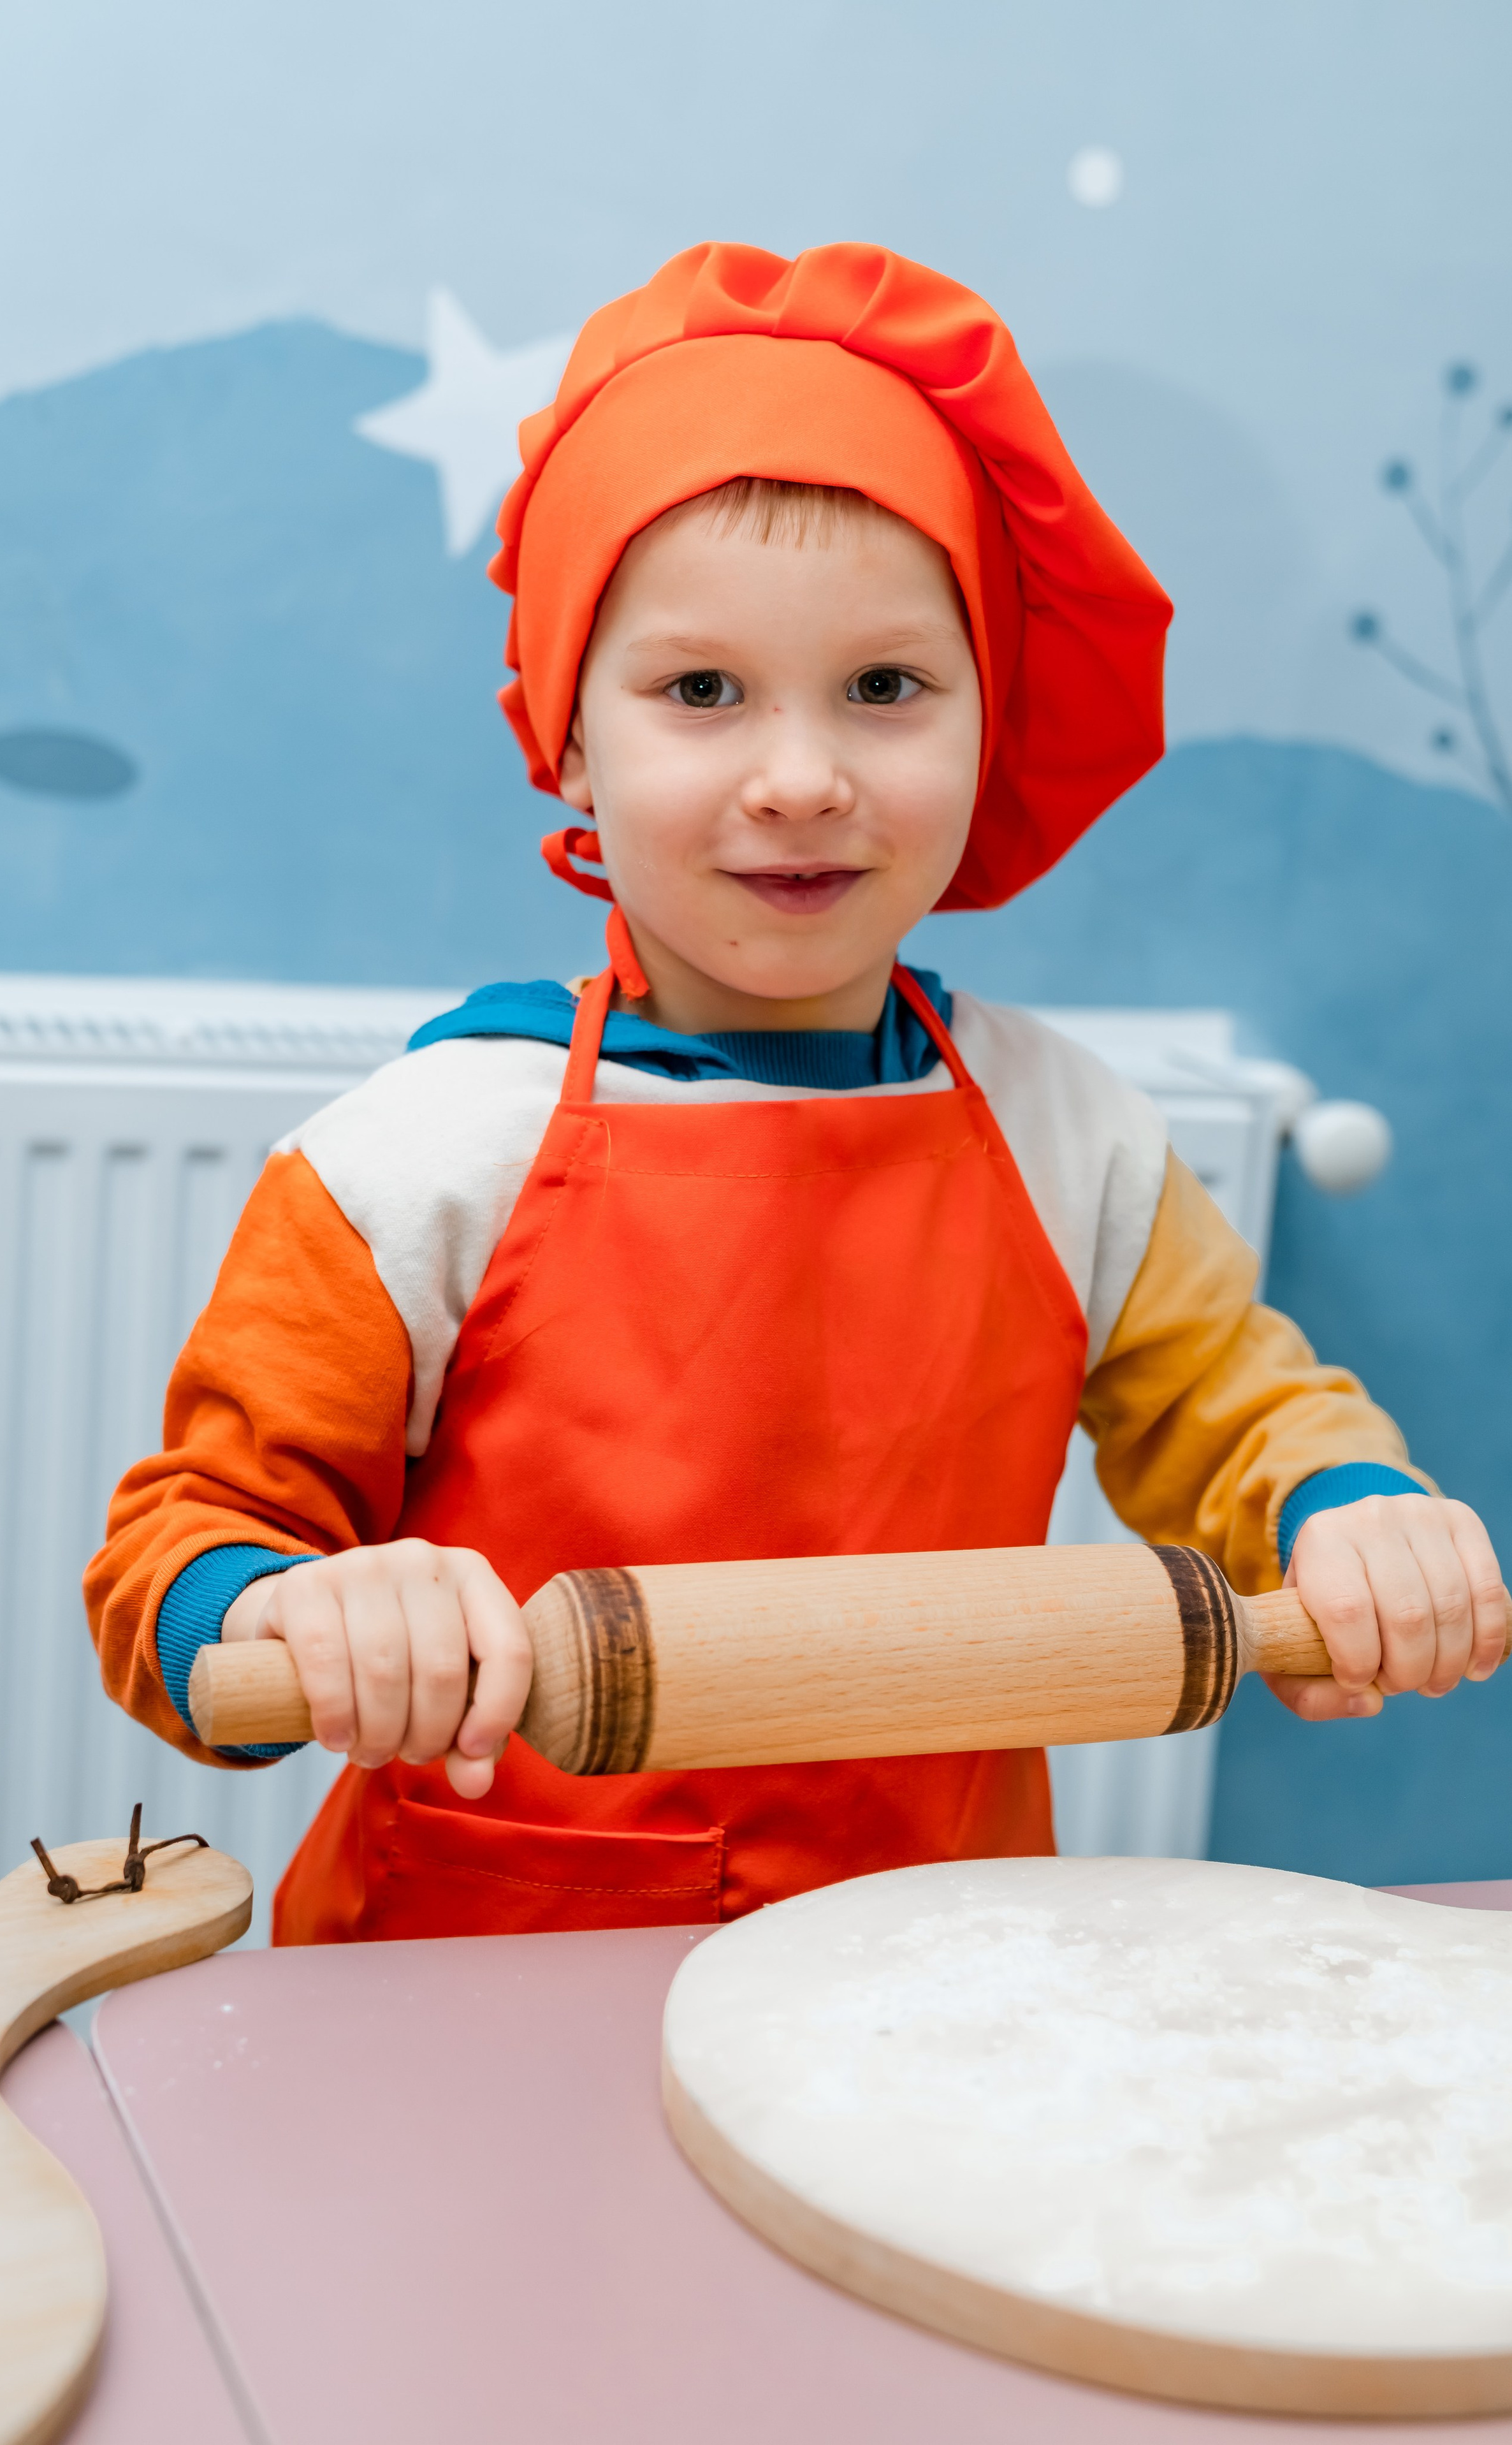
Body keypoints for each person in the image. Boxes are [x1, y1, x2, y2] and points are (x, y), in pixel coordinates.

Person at [87, 242, 1506, 1945]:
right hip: (478, 1973)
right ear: (569, 740)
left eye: (887, 688)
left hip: (920, 1976)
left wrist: (1353, 1512)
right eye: (702, 691)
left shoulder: (1076, 1141)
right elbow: (174, 1561)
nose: (805, 776)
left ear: (990, 723)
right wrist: (317, 1606)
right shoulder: (419, 1158)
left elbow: (1249, 1414)